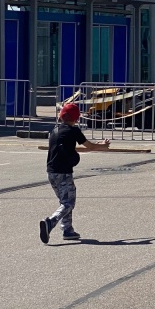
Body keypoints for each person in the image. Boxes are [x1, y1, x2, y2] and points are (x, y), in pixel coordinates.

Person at [39, 103, 111, 244]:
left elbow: (74, 148)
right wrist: (104, 146)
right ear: (76, 118)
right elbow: (89, 146)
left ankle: (68, 229)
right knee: (68, 203)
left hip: (51, 172)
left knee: (64, 200)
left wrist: (99, 146)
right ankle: (50, 222)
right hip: (64, 172)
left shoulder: (55, 131)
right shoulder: (74, 131)